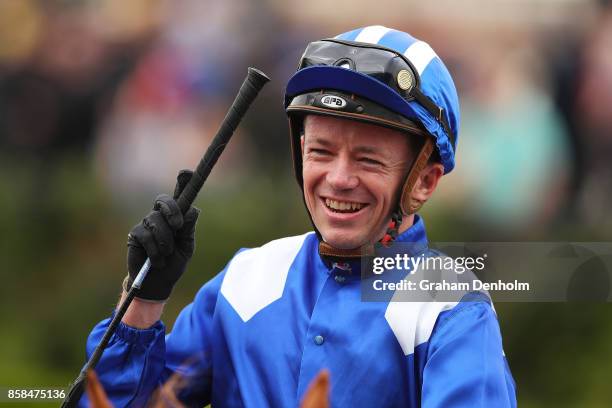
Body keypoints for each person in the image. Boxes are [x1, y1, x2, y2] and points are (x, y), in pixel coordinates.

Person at [80, 26, 517, 407]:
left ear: (424, 180)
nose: (339, 178)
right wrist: (143, 300)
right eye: (321, 152)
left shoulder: (451, 309)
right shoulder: (245, 280)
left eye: (368, 160)